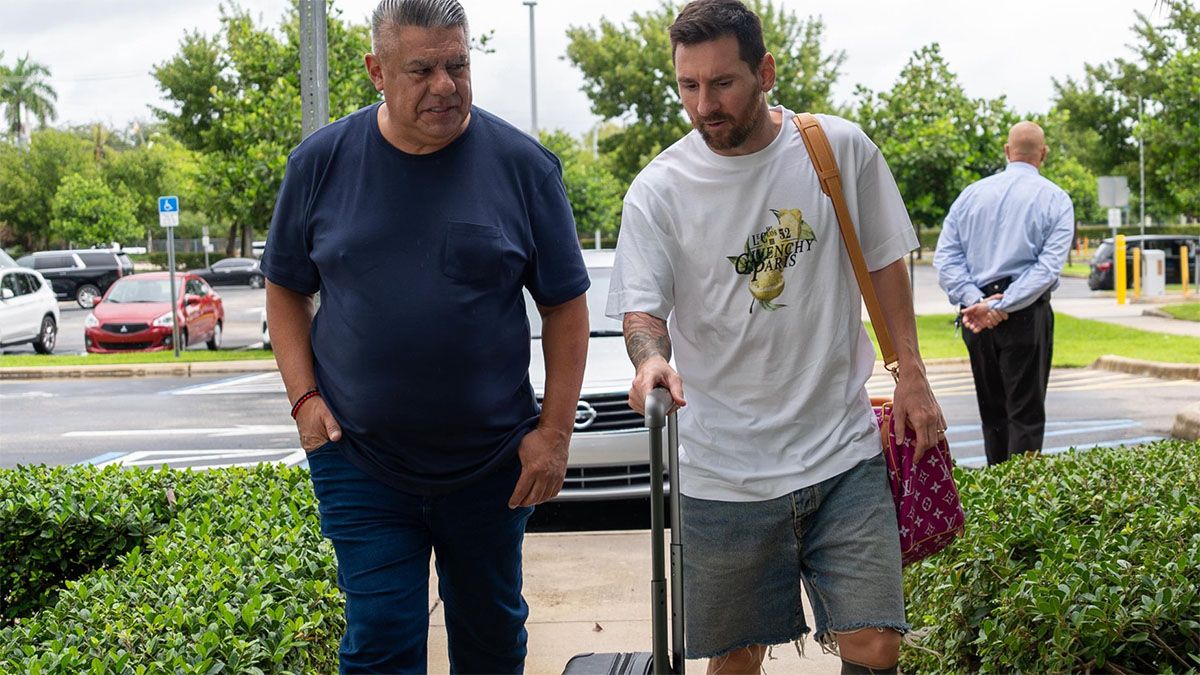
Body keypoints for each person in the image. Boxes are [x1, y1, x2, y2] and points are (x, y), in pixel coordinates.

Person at [606, 1, 945, 672]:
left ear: (765, 70)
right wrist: (650, 365)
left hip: (840, 452)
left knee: (876, 641)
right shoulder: (659, 189)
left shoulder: (836, 148)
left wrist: (911, 372)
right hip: (720, 470)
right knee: (736, 657)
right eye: (688, 85)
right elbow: (643, 313)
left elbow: (883, 260)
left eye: (723, 82)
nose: (705, 103)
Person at [261, 0, 590, 671]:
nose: (446, 84)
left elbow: (565, 307)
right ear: (377, 70)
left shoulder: (524, 168)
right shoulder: (320, 164)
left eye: (458, 64)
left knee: (492, 637)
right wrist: (304, 400)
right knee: (381, 637)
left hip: (492, 463)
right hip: (360, 458)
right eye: (423, 69)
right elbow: (285, 288)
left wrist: (553, 434)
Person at [933, 121, 1074, 467]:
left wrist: (976, 303)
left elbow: (946, 259)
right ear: (1043, 154)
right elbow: (1046, 269)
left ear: (1007, 152)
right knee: (1025, 416)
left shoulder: (971, 195)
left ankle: (998, 496)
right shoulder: (1055, 199)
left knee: (992, 415)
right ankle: (1021, 505)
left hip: (976, 314)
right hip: (1024, 315)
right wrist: (1001, 304)